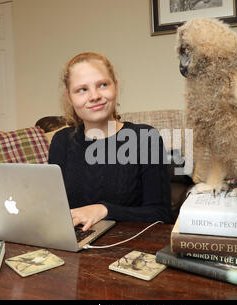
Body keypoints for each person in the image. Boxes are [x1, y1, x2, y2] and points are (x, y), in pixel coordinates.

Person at [48, 52, 171, 231]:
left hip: (125, 247)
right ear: (69, 97)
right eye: (82, 89)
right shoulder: (61, 141)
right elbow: (51, 210)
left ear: (116, 86)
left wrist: (104, 210)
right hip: (72, 246)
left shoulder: (145, 138)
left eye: (103, 85)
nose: (94, 96)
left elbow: (161, 214)